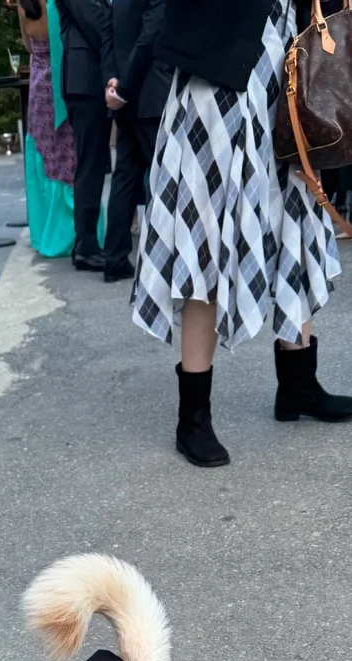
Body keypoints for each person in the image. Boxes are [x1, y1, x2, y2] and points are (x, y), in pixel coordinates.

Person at [133, 0, 352, 467]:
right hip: (218, 81)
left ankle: (298, 385)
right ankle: (192, 416)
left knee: (294, 219)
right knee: (208, 233)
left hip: (288, 68)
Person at [100, 0, 172, 283]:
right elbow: (149, 39)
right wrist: (124, 88)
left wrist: (112, 82)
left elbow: (108, 36)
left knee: (125, 179)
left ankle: (115, 258)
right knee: (163, 179)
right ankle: (162, 261)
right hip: (151, 94)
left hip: (124, 98)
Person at [18, 0, 77, 257]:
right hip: (62, 78)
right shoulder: (55, 4)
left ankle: (46, 230)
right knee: (67, 153)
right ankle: (72, 229)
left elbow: (27, 45)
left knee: (44, 152)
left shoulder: (24, 5)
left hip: (38, 81)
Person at [57, 0, 111, 270]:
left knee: (95, 163)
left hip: (90, 78)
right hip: (86, 79)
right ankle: (86, 246)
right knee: (90, 164)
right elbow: (96, 22)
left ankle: (88, 242)